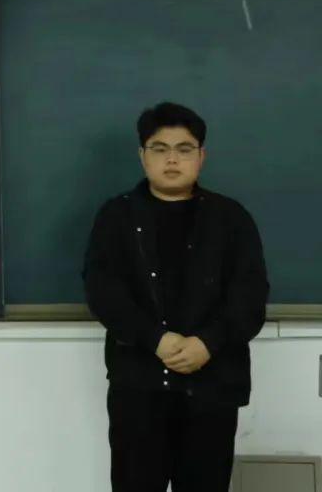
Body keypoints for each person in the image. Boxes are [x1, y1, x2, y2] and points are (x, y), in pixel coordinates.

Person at [83, 102, 269, 492]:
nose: (172, 159)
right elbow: (103, 291)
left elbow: (250, 296)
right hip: (139, 390)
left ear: (201, 156)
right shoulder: (116, 217)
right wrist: (156, 339)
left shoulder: (232, 218)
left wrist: (207, 343)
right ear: (142, 155)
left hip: (213, 389)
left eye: (184, 149)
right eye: (160, 148)